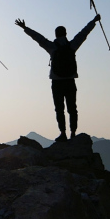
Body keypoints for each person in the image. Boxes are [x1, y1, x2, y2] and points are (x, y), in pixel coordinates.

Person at [15, 14, 101, 142]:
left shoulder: (52, 48)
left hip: (56, 82)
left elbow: (38, 38)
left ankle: (63, 133)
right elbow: (83, 33)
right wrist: (93, 21)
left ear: (56, 35)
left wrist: (25, 28)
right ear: (65, 34)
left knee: (59, 109)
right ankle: (73, 133)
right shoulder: (72, 46)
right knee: (72, 108)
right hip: (70, 81)